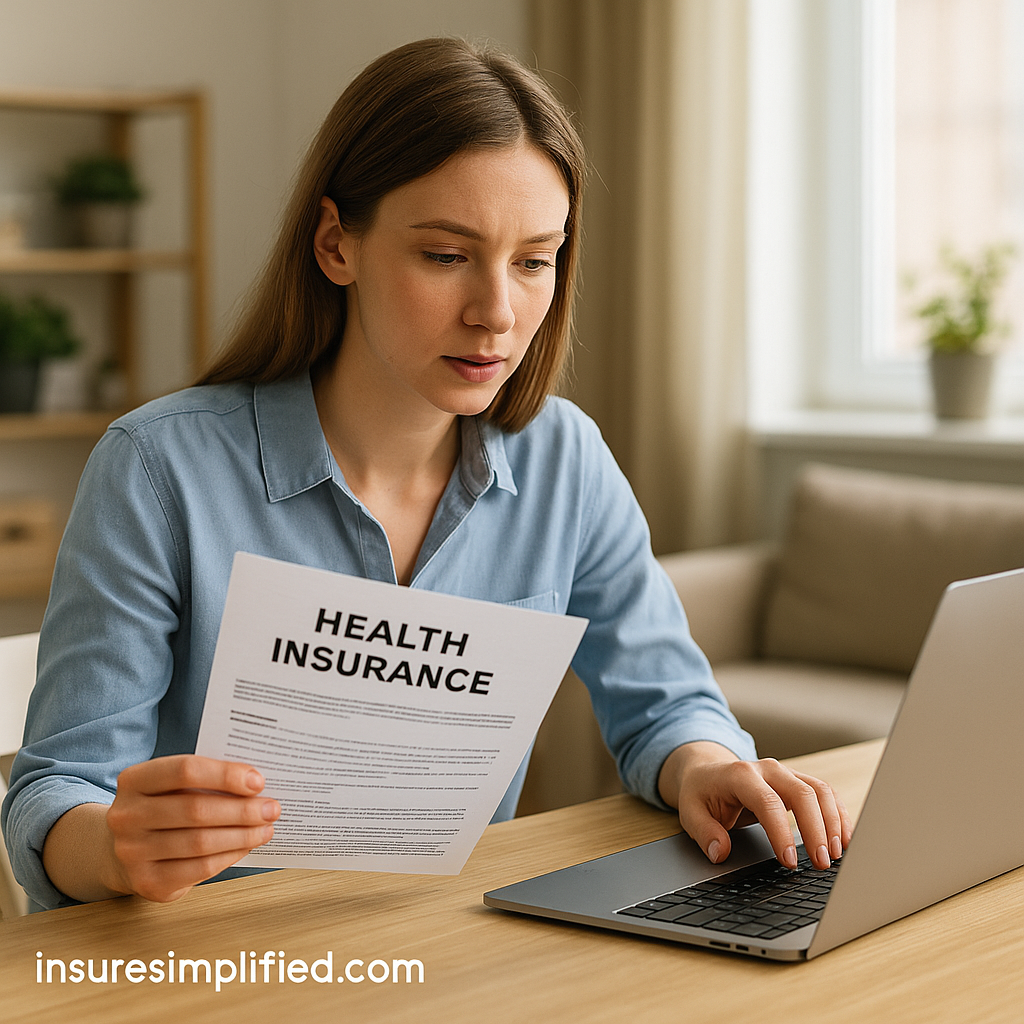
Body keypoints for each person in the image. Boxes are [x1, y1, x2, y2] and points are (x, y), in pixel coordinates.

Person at [2, 38, 850, 911]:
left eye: (533, 260)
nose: (497, 312)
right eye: (446, 256)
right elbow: (56, 793)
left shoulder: (566, 458)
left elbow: (667, 701)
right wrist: (114, 847)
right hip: (211, 959)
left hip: (449, 946)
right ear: (337, 245)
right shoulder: (157, 468)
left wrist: (706, 765)